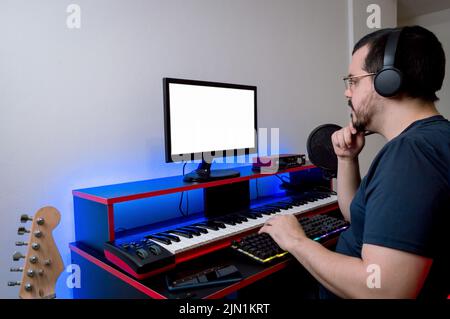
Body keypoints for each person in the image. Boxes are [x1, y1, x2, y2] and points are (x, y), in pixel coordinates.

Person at [259, 26, 450, 299]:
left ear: (388, 81)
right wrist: (347, 159)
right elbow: (357, 216)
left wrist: (296, 240)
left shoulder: (411, 155)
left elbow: (384, 291)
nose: (347, 93)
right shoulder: (432, 139)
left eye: (353, 81)